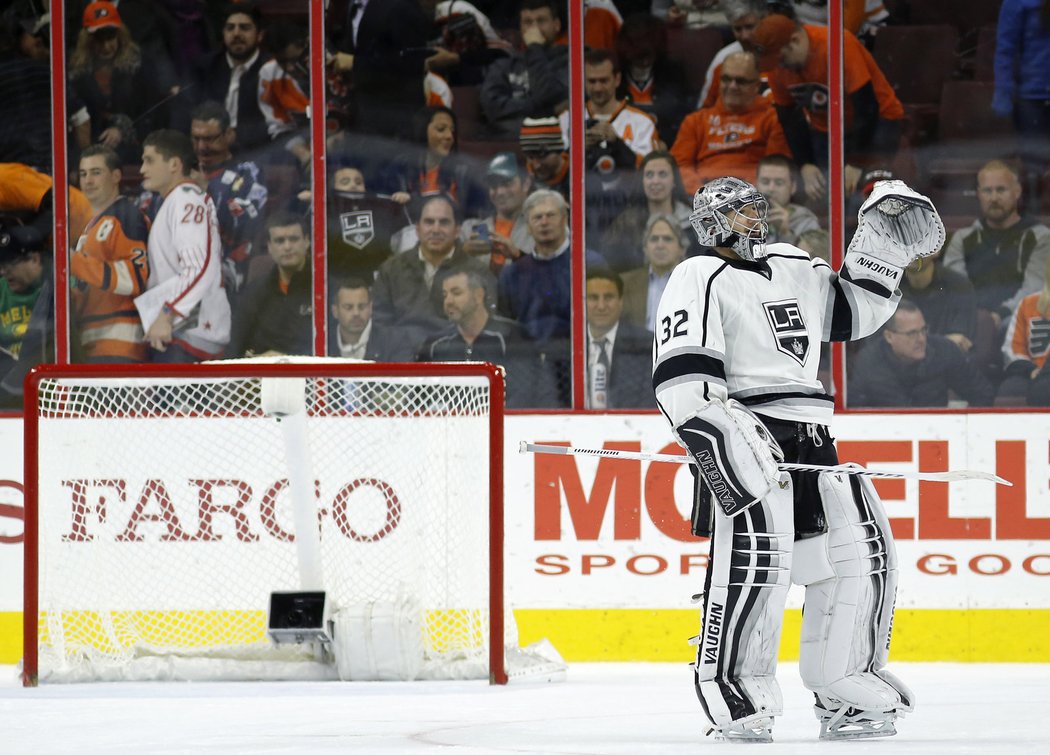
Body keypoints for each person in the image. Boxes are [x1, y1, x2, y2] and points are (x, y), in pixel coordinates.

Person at [653, 176, 944, 740]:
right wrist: (725, 450)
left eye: (754, 209)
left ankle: (847, 687)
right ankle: (737, 690)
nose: (752, 219)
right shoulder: (697, 276)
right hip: (748, 433)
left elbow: (853, 312)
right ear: (712, 221)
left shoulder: (794, 263)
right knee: (757, 565)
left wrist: (883, 244)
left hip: (813, 438)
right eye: (738, 212)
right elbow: (682, 382)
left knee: (854, 557)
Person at [752, 13, 904, 201]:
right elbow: (789, 118)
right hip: (826, 128)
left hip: (879, 120)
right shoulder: (777, 66)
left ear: (796, 40)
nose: (780, 67)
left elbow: (867, 107)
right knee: (825, 196)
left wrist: (857, 162)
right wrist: (805, 164)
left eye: (782, 59)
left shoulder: (837, 45)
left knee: (867, 192)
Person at [498, 189, 605, 406]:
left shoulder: (589, 263)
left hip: (578, 364)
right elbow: (506, 321)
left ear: (565, 219)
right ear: (528, 225)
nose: (544, 222)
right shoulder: (513, 272)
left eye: (550, 215)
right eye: (537, 217)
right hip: (527, 367)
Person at [941, 160, 1050, 370]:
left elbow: (1033, 290)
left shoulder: (1041, 237)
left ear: (1017, 191)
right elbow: (954, 288)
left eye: (1001, 190)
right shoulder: (963, 238)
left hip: (1013, 320)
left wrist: (998, 315)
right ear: (979, 194)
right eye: (987, 191)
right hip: (972, 322)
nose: (994, 198)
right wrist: (981, 320)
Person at [134, 129, 230, 362]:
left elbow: (199, 267)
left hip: (187, 335)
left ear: (174, 164)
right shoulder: (177, 200)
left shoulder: (185, 199)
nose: (142, 170)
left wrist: (168, 314)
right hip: (181, 332)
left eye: (149, 160)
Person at [418, 269, 549, 407]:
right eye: (445, 295)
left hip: (504, 425)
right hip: (451, 427)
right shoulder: (435, 344)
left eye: (456, 293)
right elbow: (418, 401)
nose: (448, 301)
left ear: (478, 295)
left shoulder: (512, 336)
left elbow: (526, 395)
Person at [68, 1, 175, 164]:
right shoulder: (77, 73)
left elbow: (153, 112)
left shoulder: (139, 66)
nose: (106, 46)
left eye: (110, 37)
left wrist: (123, 129)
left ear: (120, 35)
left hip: (136, 155)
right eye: (99, 39)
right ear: (87, 40)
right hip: (90, 155)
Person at [70, 145, 151, 363]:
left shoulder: (127, 217)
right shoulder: (88, 228)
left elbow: (135, 278)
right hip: (91, 346)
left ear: (116, 176)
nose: (88, 181)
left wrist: (73, 262)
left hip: (121, 347)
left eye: (96, 173)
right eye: (83, 174)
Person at [670, 51, 790, 193]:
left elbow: (775, 168)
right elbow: (680, 165)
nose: (732, 86)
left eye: (741, 81)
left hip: (753, 199)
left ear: (757, 85)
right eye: (726, 79)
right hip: (703, 200)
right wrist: (702, 196)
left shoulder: (774, 118)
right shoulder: (695, 121)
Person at [372, 193, 492, 332]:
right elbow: (379, 324)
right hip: (403, 351)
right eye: (429, 222)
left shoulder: (478, 272)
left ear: (457, 231)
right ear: (417, 229)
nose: (436, 230)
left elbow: (485, 326)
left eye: (444, 222)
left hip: (455, 350)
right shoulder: (391, 269)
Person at [849, 300, 995, 408]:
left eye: (923, 330)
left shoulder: (944, 351)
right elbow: (854, 407)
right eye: (912, 333)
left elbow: (982, 393)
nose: (921, 339)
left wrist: (960, 426)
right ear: (889, 336)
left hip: (937, 437)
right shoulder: (868, 361)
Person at [225, 212, 312, 358]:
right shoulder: (255, 292)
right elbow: (234, 349)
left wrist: (285, 361)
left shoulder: (323, 288)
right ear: (270, 247)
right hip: (261, 376)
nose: (287, 247)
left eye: (294, 239)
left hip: (312, 377)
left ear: (307, 241)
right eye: (279, 241)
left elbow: (335, 349)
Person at [480, 0, 569, 139]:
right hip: (507, 142)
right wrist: (549, 110)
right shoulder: (504, 64)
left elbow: (546, 94)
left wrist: (534, 48)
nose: (534, 29)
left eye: (541, 21)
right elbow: (492, 106)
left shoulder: (571, 62)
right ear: (521, 27)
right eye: (528, 22)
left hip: (554, 142)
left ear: (556, 25)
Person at [384, 106, 488, 222]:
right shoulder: (400, 168)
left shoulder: (464, 172)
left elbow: (479, 217)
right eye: (441, 129)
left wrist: (481, 238)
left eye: (452, 131)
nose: (449, 136)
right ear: (422, 131)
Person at [992, 0, 1050, 209]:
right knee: (1034, 168)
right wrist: (1004, 92)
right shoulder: (1017, 3)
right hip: (1031, 97)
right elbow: (1006, 50)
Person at [192, 2, 269, 156]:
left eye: (244, 28)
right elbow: (187, 113)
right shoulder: (205, 67)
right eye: (230, 28)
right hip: (206, 152)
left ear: (259, 35)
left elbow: (274, 125)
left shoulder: (271, 70)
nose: (236, 34)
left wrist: (235, 136)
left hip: (256, 154)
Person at [601, 150, 696, 271]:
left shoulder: (695, 223)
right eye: (649, 175)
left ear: (674, 181)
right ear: (642, 181)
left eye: (662, 174)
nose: (655, 181)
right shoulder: (625, 224)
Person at [326, 161, 412, 283]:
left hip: (378, 280)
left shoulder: (383, 207)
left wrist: (405, 201)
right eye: (345, 182)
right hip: (338, 280)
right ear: (332, 188)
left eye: (358, 182)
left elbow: (406, 244)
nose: (353, 185)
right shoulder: (326, 208)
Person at [614, 12, 691, 145]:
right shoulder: (615, 74)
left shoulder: (672, 72)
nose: (644, 62)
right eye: (638, 57)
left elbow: (680, 115)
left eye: (648, 56)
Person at [585, 268, 656, 409]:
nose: (601, 306)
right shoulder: (566, 345)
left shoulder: (647, 344)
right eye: (593, 298)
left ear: (621, 302)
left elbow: (650, 400)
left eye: (608, 297)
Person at [0, 222, 51, 407]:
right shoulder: (1, 290)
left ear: (35, 259)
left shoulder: (60, 287)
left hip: (48, 390)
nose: (4, 271)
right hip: (6, 388)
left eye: (11, 263)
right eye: (1, 264)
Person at [460, 152, 535, 277]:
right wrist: (462, 255)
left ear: (526, 183)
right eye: (494, 185)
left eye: (507, 183)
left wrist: (518, 256)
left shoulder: (540, 228)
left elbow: (551, 278)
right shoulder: (469, 229)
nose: (500, 192)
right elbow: (443, 278)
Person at [899, 253, 977, 354]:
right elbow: (877, 341)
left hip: (944, 364)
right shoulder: (888, 284)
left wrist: (902, 342)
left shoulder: (959, 285)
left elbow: (959, 342)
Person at [621, 213, 687, 331]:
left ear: (682, 248)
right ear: (645, 248)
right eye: (654, 239)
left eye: (667, 239)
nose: (660, 245)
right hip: (635, 347)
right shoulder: (625, 283)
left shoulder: (692, 282)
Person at [328, 277, 420, 360]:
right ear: (335, 311)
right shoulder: (321, 343)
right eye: (348, 307)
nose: (356, 313)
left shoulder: (396, 342)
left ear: (371, 308)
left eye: (362, 306)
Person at [998, 261, 1050, 405]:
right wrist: (1031, 370)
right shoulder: (1029, 303)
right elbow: (1013, 349)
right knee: (1010, 389)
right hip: (1035, 375)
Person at [755, 153, 820, 246]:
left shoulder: (805, 222)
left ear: (793, 187)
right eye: (765, 182)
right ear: (756, 184)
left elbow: (810, 259)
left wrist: (786, 234)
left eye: (779, 183)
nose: (771, 188)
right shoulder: (743, 217)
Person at [519, 116, 570, 199]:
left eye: (542, 156)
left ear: (559, 151)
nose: (536, 165)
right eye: (531, 157)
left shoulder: (580, 179)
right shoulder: (523, 182)